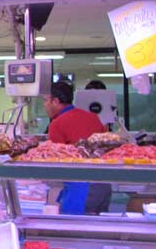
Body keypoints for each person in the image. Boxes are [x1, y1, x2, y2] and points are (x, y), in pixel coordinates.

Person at [44, 82, 109, 214]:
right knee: (99, 230)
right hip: (104, 185)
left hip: (80, 189)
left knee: (73, 230)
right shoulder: (94, 118)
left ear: (55, 101)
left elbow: (56, 160)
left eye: (46, 101)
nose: (45, 105)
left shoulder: (57, 124)